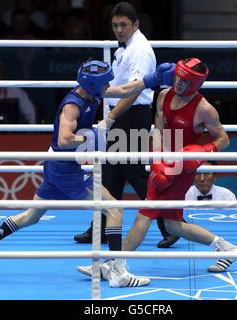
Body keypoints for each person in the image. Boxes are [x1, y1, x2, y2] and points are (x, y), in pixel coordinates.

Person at [0, 59, 174, 288]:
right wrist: (91, 137)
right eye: (104, 84)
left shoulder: (91, 92)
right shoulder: (73, 105)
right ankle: (119, 272)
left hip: (57, 166)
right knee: (114, 208)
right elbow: (64, 140)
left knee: (31, 216)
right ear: (93, 85)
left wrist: (151, 80)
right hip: (65, 169)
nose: (108, 86)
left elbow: (122, 90)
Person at [77, 58, 237, 282]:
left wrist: (201, 152)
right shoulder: (164, 95)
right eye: (177, 77)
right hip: (163, 162)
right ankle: (226, 247)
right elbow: (158, 130)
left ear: (196, 83)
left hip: (183, 169)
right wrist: (157, 161)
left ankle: (113, 264)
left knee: (144, 216)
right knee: (174, 225)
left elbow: (223, 139)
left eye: (185, 81)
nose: (178, 83)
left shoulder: (204, 110)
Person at [74, 1, 180, 248]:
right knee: (111, 174)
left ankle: (170, 224)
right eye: (115, 25)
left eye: (123, 25)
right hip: (121, 115)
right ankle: (98, 228)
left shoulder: (140, 50)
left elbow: (134, 91)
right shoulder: (123, 49)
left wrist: (110, 118)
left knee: (133, 172)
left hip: (133, 115)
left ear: (136, 24)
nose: (119, 30)